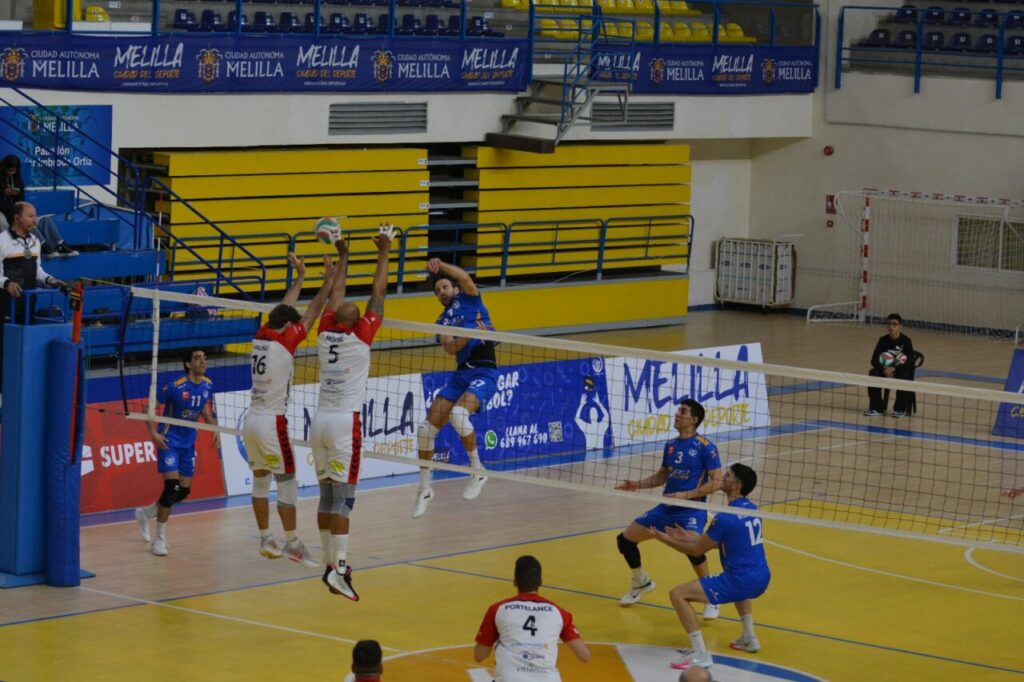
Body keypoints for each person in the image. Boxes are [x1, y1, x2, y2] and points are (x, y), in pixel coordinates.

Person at [312, 224, 394, 600]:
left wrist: (343, 256)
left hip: (319, 420)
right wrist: (384, 252)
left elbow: (337, 293)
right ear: (358, 321)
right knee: (344, 500)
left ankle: (329, 564)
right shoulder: (362, 336)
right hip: (345, 422)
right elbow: (379, 293)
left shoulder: (324, 331)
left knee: (327, 497)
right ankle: (341, 568)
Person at [243, 250, 339, 566]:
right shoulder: (286, 341)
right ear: (287, 327)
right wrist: (328, 282)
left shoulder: (263, 333)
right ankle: (293, 543)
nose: (298, 326)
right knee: (287, 484)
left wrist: (300, 277)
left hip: (251, 420)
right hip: (273, 423)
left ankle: (265, 537)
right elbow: (312, 311)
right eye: (293, 324)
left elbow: (285, 308)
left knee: (261, 481)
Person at [650, 463, 771, 672]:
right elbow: (721, 542)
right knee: (738, 583)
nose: (723, 477)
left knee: (678, 594)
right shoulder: (752, 508)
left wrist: (665, 539)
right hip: (762, 577)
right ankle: (749, 637)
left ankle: (700, 654)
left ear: (736, 485)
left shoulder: (724, 517)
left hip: (740, 581)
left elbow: (697, 551)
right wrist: (686, 536)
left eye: (728, 476)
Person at [613, 399, 723, 617]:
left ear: (694, 419)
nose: (677, 414)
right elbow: (662, 476)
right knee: (624, 541)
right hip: (667, 508)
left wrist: (685, 495)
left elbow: (717, 482)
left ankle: (711, 596)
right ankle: (641, 582)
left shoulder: (706, 447)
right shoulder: (671, 445)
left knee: (693, 547)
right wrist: (638, 484)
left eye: (682, 411)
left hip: (691, 510)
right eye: (678, 410)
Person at [412, 258, 498, 518]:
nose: (442, 292)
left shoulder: (471, 299)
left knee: (459, 415)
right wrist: (469, 334)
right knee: (425, 430)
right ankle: (424, 488)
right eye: (438, 290)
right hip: (460, 375)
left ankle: (478, 471)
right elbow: (450, 347)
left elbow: (465, 277)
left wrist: (441, 266)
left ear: (455, 289)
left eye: (445, 287)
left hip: (484, 371)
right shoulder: (441, 320)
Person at [134, 348, 217, 556]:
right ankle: (159, 539)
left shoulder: (207, 384)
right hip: (169, 441)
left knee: (182, 492)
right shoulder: (175, 386)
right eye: (197, 358)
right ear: (188, 364)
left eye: (204, 358)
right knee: (172, 487)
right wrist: (153, 433)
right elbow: (148, 409)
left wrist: (215, 428)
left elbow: (203, 408)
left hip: (188, 443)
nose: (203, 361)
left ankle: (146, 513)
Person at [474, 555, 591, 681]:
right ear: (541, 582)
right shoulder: (560, 613)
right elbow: (584, 656)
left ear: (515, 582)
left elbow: (479, 656)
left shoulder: (498, 609)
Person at [0, 201, 67, 386]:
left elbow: (37, 271)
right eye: (30, 216)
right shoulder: (2, 240)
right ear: (17, 218)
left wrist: (50, 280)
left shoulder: (35, 241)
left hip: (28, 302)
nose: (34, 220)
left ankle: (20, 387)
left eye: (35, 215)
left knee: (23, 348)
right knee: (5, 348)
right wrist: (7, 283)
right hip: (6, 303)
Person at [864, 313, 915, 418]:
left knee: (904, 376)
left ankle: (900, 410)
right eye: (889, 324)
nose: (891, 326)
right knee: (873, 373)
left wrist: (894, 369)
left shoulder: (906, 341)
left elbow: (910, 362)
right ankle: (877, 408)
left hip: (899, 370)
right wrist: (884, 368)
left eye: (894, 324)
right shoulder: (883, 340)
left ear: (900, 326)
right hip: (885, 369)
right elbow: (874, 360)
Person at [0, 155, 25, 229]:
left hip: (12, 209)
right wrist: (3, 193)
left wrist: (17, 194)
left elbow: (21, 197)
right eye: (9, 170)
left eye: (14, 171)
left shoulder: (16, 178)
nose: (11, 173)